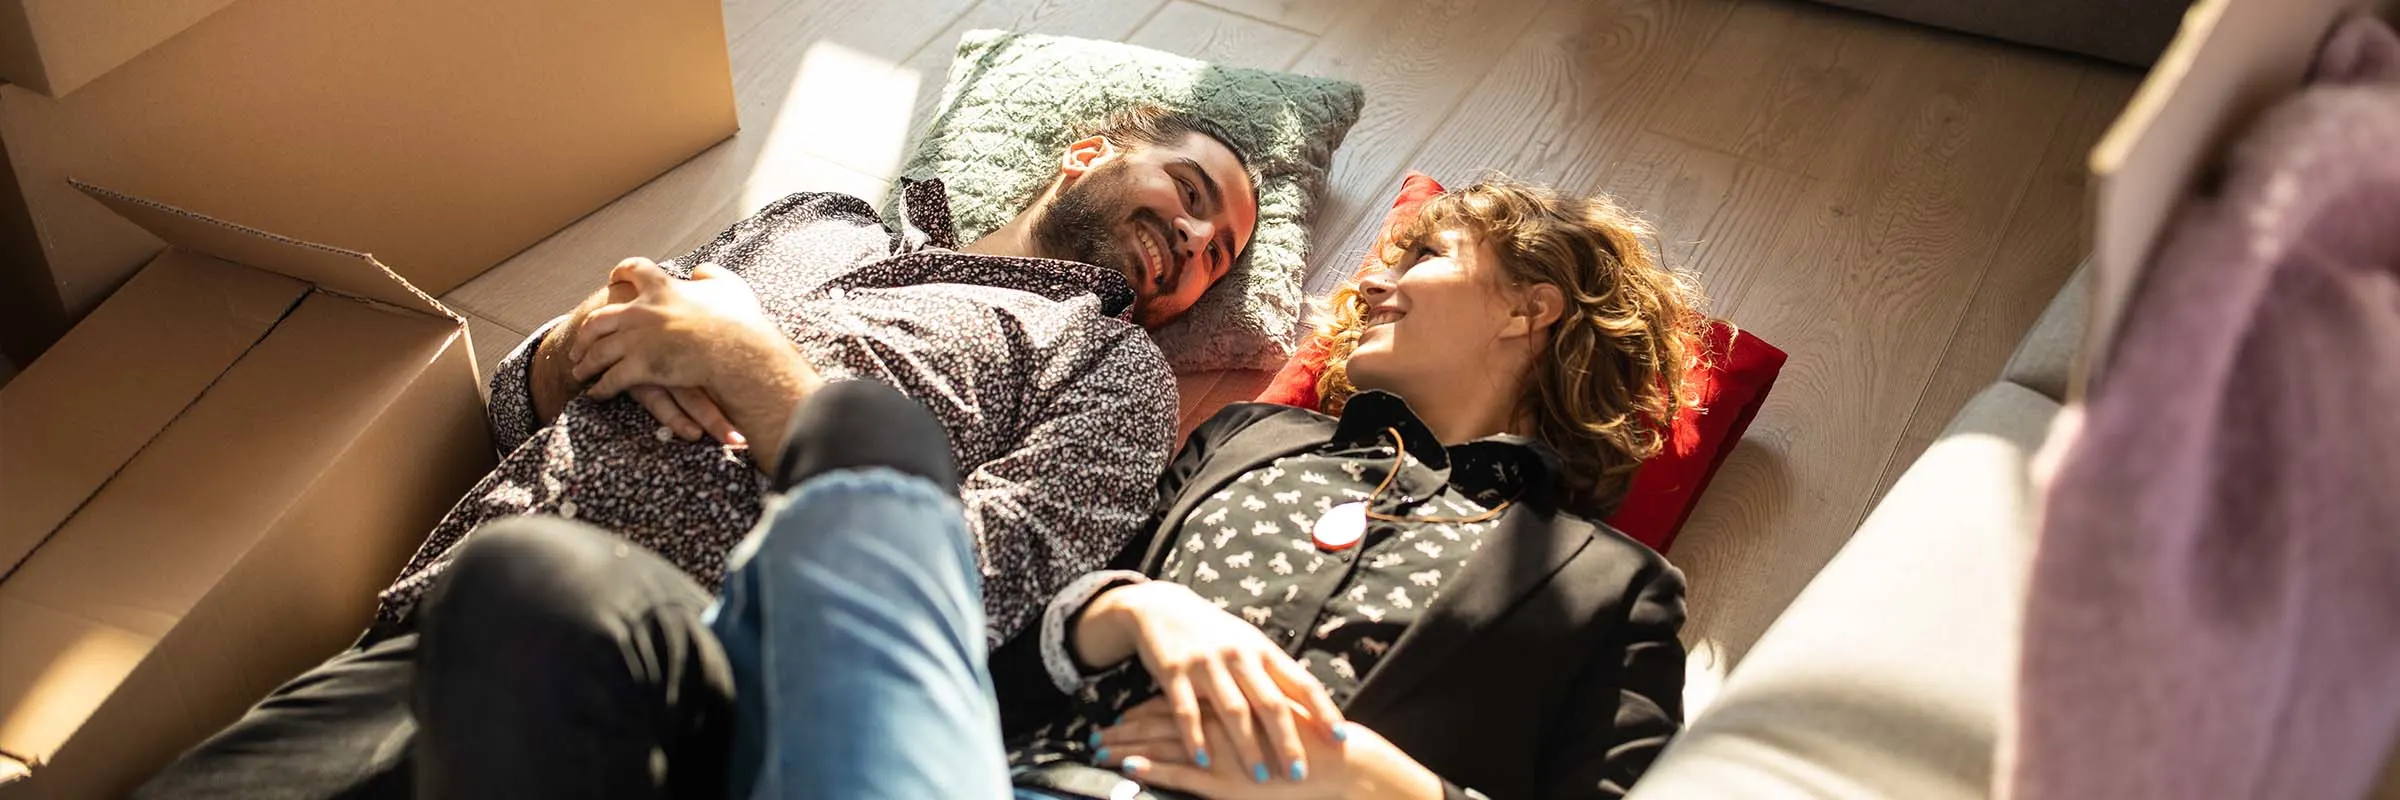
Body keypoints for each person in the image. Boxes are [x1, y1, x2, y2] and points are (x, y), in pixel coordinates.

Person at [413, 176, 1703, 799]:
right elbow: (997, 645)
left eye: (1429, 254)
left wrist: (1374, 783)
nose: (1378, 274)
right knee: (543, 580)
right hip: (988, 773)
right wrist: (1124, 613)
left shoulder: (1613, 585)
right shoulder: (1245, 442)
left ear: (1530, 304)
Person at [137, 104, 1261, 799]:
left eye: (1222, 253)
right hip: (428, 630)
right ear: (1088, 153)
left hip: (688, 690)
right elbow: (514, 406)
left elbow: (973, 592)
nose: (1200, 240)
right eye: (1194, 194)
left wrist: (747, 365)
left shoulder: (1111, 373)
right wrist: (588, 337)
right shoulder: (820, 220)